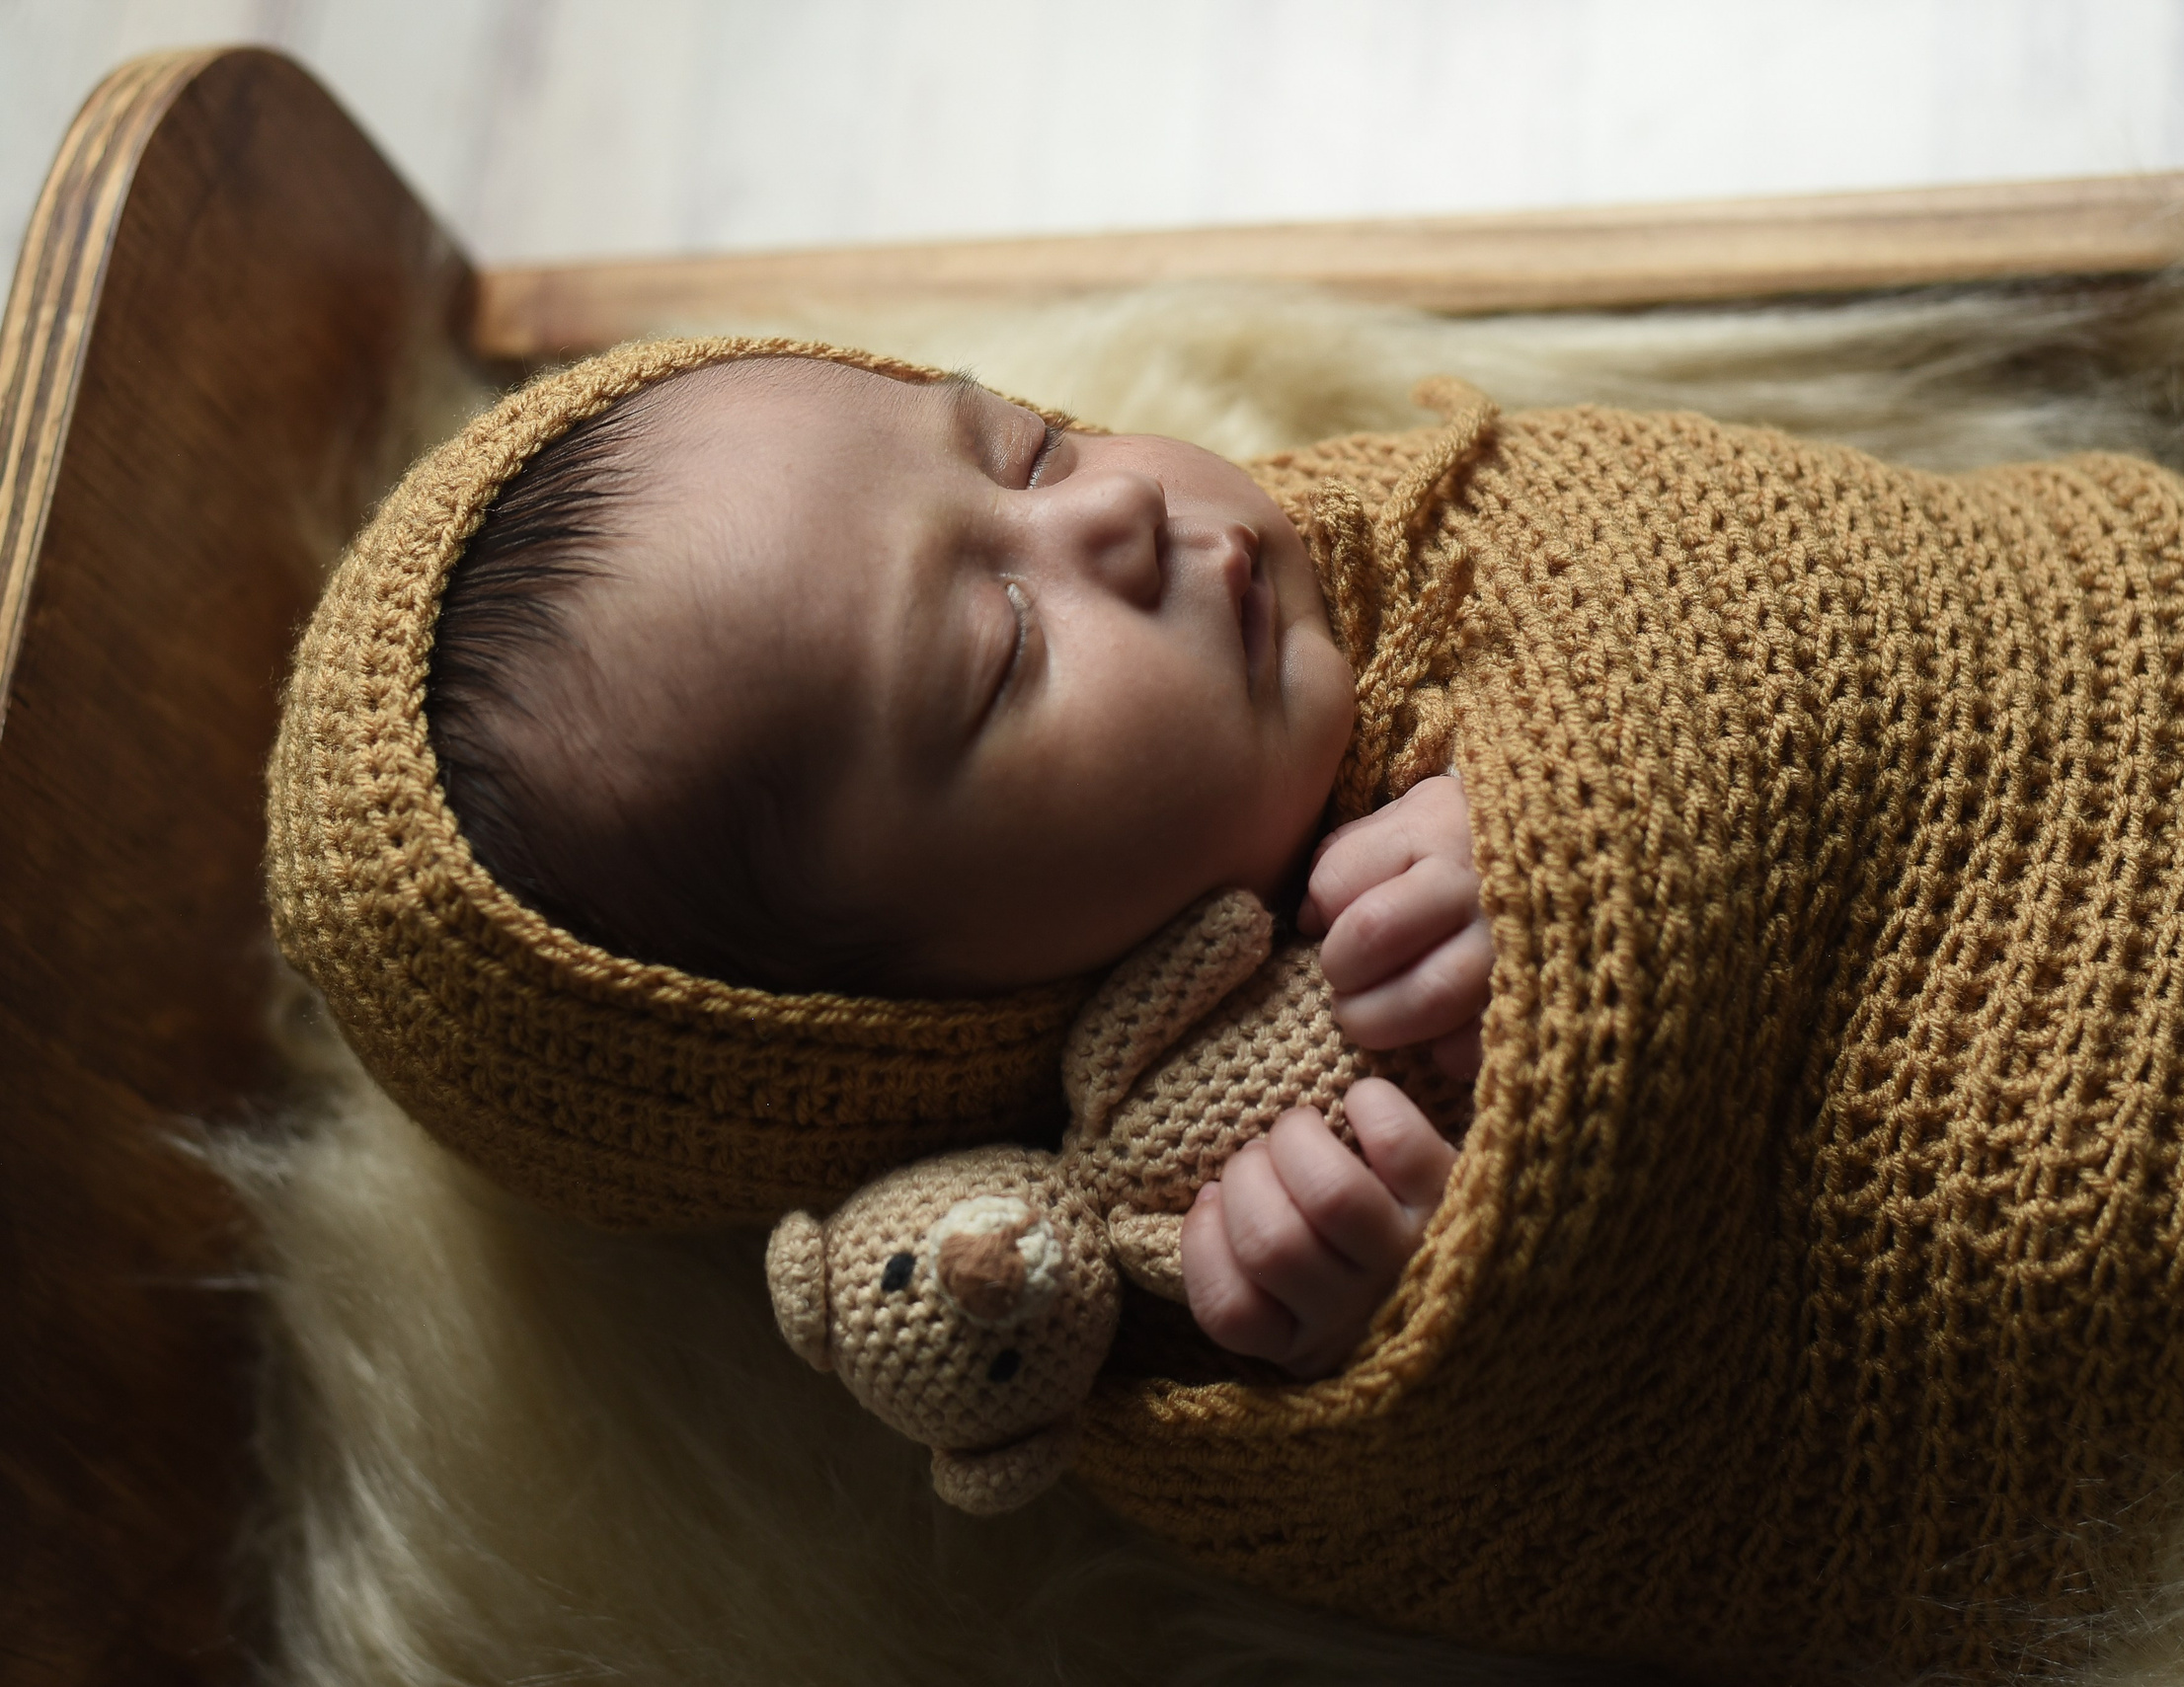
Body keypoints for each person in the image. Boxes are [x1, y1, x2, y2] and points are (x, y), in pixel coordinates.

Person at [267, 335, 2184, 1678]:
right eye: (998, 660)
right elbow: (1570, 1481)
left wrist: (1596, 809)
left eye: (1028, 447)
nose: (1122, 531)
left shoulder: (1394, 551)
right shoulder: (1157, 1312)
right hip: (2140, 1247)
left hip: (2162, 717)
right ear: (888, 1034)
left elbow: (1745, 558)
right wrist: (1388, 1291)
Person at [423, 352, 1481, 1378]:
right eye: (1006, 645)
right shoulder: (1172, 1240)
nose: (1116, 509)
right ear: (918, 1040)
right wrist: (1414, 1298)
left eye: (1027, 450)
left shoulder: (1426, 536)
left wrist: (1524, 801)